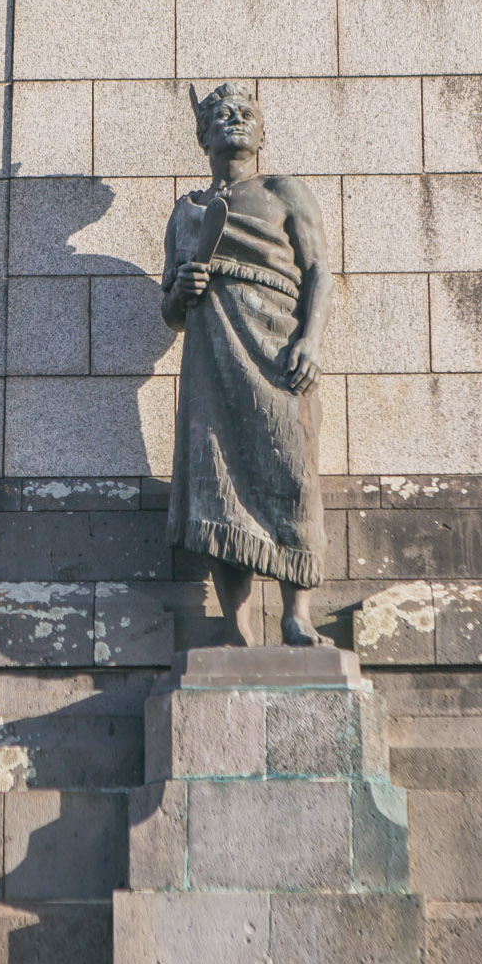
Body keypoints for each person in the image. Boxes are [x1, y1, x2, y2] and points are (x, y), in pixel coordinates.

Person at [161, 82, 335, 647]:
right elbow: (171, 310)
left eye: (245, 113)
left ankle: (296, 614)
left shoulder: (284, 191)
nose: (234, 120)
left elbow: (319, 271)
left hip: (279, 348)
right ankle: (235, 626)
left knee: (292, 470)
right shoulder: (186, 213)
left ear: (261, 133)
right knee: (220, 482)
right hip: (212, 354)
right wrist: (182, 290)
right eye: (221, 114)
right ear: (202, 134)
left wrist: (311, 341)